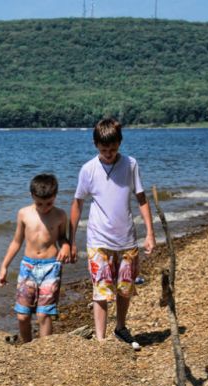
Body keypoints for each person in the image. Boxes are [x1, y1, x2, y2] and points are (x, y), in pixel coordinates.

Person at [69, 117, 156, 349]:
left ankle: (120, 327)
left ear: (120, 143)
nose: (109, 153)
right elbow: (77, 204)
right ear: (95, 144)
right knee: (101, 290)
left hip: (126, 239)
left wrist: (150, 233)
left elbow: (142, 199)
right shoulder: (88, 170)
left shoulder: (130, 164)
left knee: (124, 289)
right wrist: (71, 240)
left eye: (113, 148)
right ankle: (100, 339)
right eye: (104, 148)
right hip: (98, 240)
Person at [0, 173, 70, 343]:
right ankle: (27, 347)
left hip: (51, 267)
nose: (45, 208)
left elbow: (62, 238)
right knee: (23, 315)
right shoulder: (24, 214)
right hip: (28, 267)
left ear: (55, 196)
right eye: (40, 203)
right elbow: (16, 241)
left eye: (49, 203)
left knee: (43, 314)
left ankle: (44, 351)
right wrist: (4, 266)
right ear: (32, 196)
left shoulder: (60, 215)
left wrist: (66, 246)